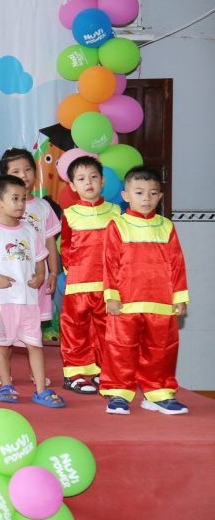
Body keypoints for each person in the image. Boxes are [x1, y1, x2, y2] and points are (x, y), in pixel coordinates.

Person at [101, 166, 190, 415]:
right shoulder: (117, 225)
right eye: (139, 192)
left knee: (161, 351)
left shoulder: (166, 226)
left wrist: (180, 297)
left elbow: (177, 263)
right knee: (121, 349)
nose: (146, 198)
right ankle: (118, 393)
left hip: (161, 304)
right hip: (126, 303)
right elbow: (110, 263)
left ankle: (159, 394)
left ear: (160, 196)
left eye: (153, 193)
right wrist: (112, 296)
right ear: (126, 195)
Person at [0, 175, 65, 408]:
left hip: (29, 301)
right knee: (1, 344)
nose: (21, 203)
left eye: (23, 198)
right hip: (3, 300)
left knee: (35, 344)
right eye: (15, 198)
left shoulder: (30, 231)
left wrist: (41, 276)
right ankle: (6, 384)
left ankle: (41, 389)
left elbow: (40, 257)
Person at [59, 155, 121, 395]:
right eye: (82, 179)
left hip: (108, 286)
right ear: (73, 186)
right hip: (79, 284)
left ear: (102, 181)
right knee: (76, 329)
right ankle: (75, 374)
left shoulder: (115, 212)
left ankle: (103, 371)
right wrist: (73, 272)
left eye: (94, 177)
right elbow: (66, 247)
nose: (89, 182)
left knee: (107, 330)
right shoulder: (70, 213)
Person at [0, 148, 60, 326]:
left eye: (27, 169)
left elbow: (50, 242)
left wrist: (53, 272)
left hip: (37, 277)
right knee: (6, 327)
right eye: (15, 171)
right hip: (8, 278)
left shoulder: (43, 206)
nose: (23, 175)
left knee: (32, 327)